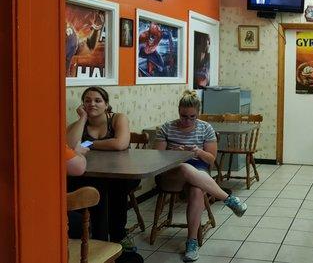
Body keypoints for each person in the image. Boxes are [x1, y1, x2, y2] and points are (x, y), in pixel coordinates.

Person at [155, 90, 247, 262]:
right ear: (178, 111)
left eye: (192, 117)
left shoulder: (206, 128)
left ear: (198, 114)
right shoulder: (167, 127)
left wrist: (197, 151)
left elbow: (211, 160)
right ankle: (228, 199)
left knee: (197, 190)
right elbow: (157, 157)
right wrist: (174, 152)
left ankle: (191, 242)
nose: (187, 120)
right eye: (183, 116)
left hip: (198, 169)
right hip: (170, 172)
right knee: (183, 166)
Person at [66, 86, 139, 251]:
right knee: (94, 186)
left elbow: (119, 144)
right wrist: (82, 118)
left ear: (106, 104)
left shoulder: (118, 119)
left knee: (114, 188)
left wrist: (88, 144)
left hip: (123, 174)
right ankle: (99, 237)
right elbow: (68, 147)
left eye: (98, 100)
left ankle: (117, 235)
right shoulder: (80, 123)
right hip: (91, 174)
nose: (92, 104)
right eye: (87, 100)